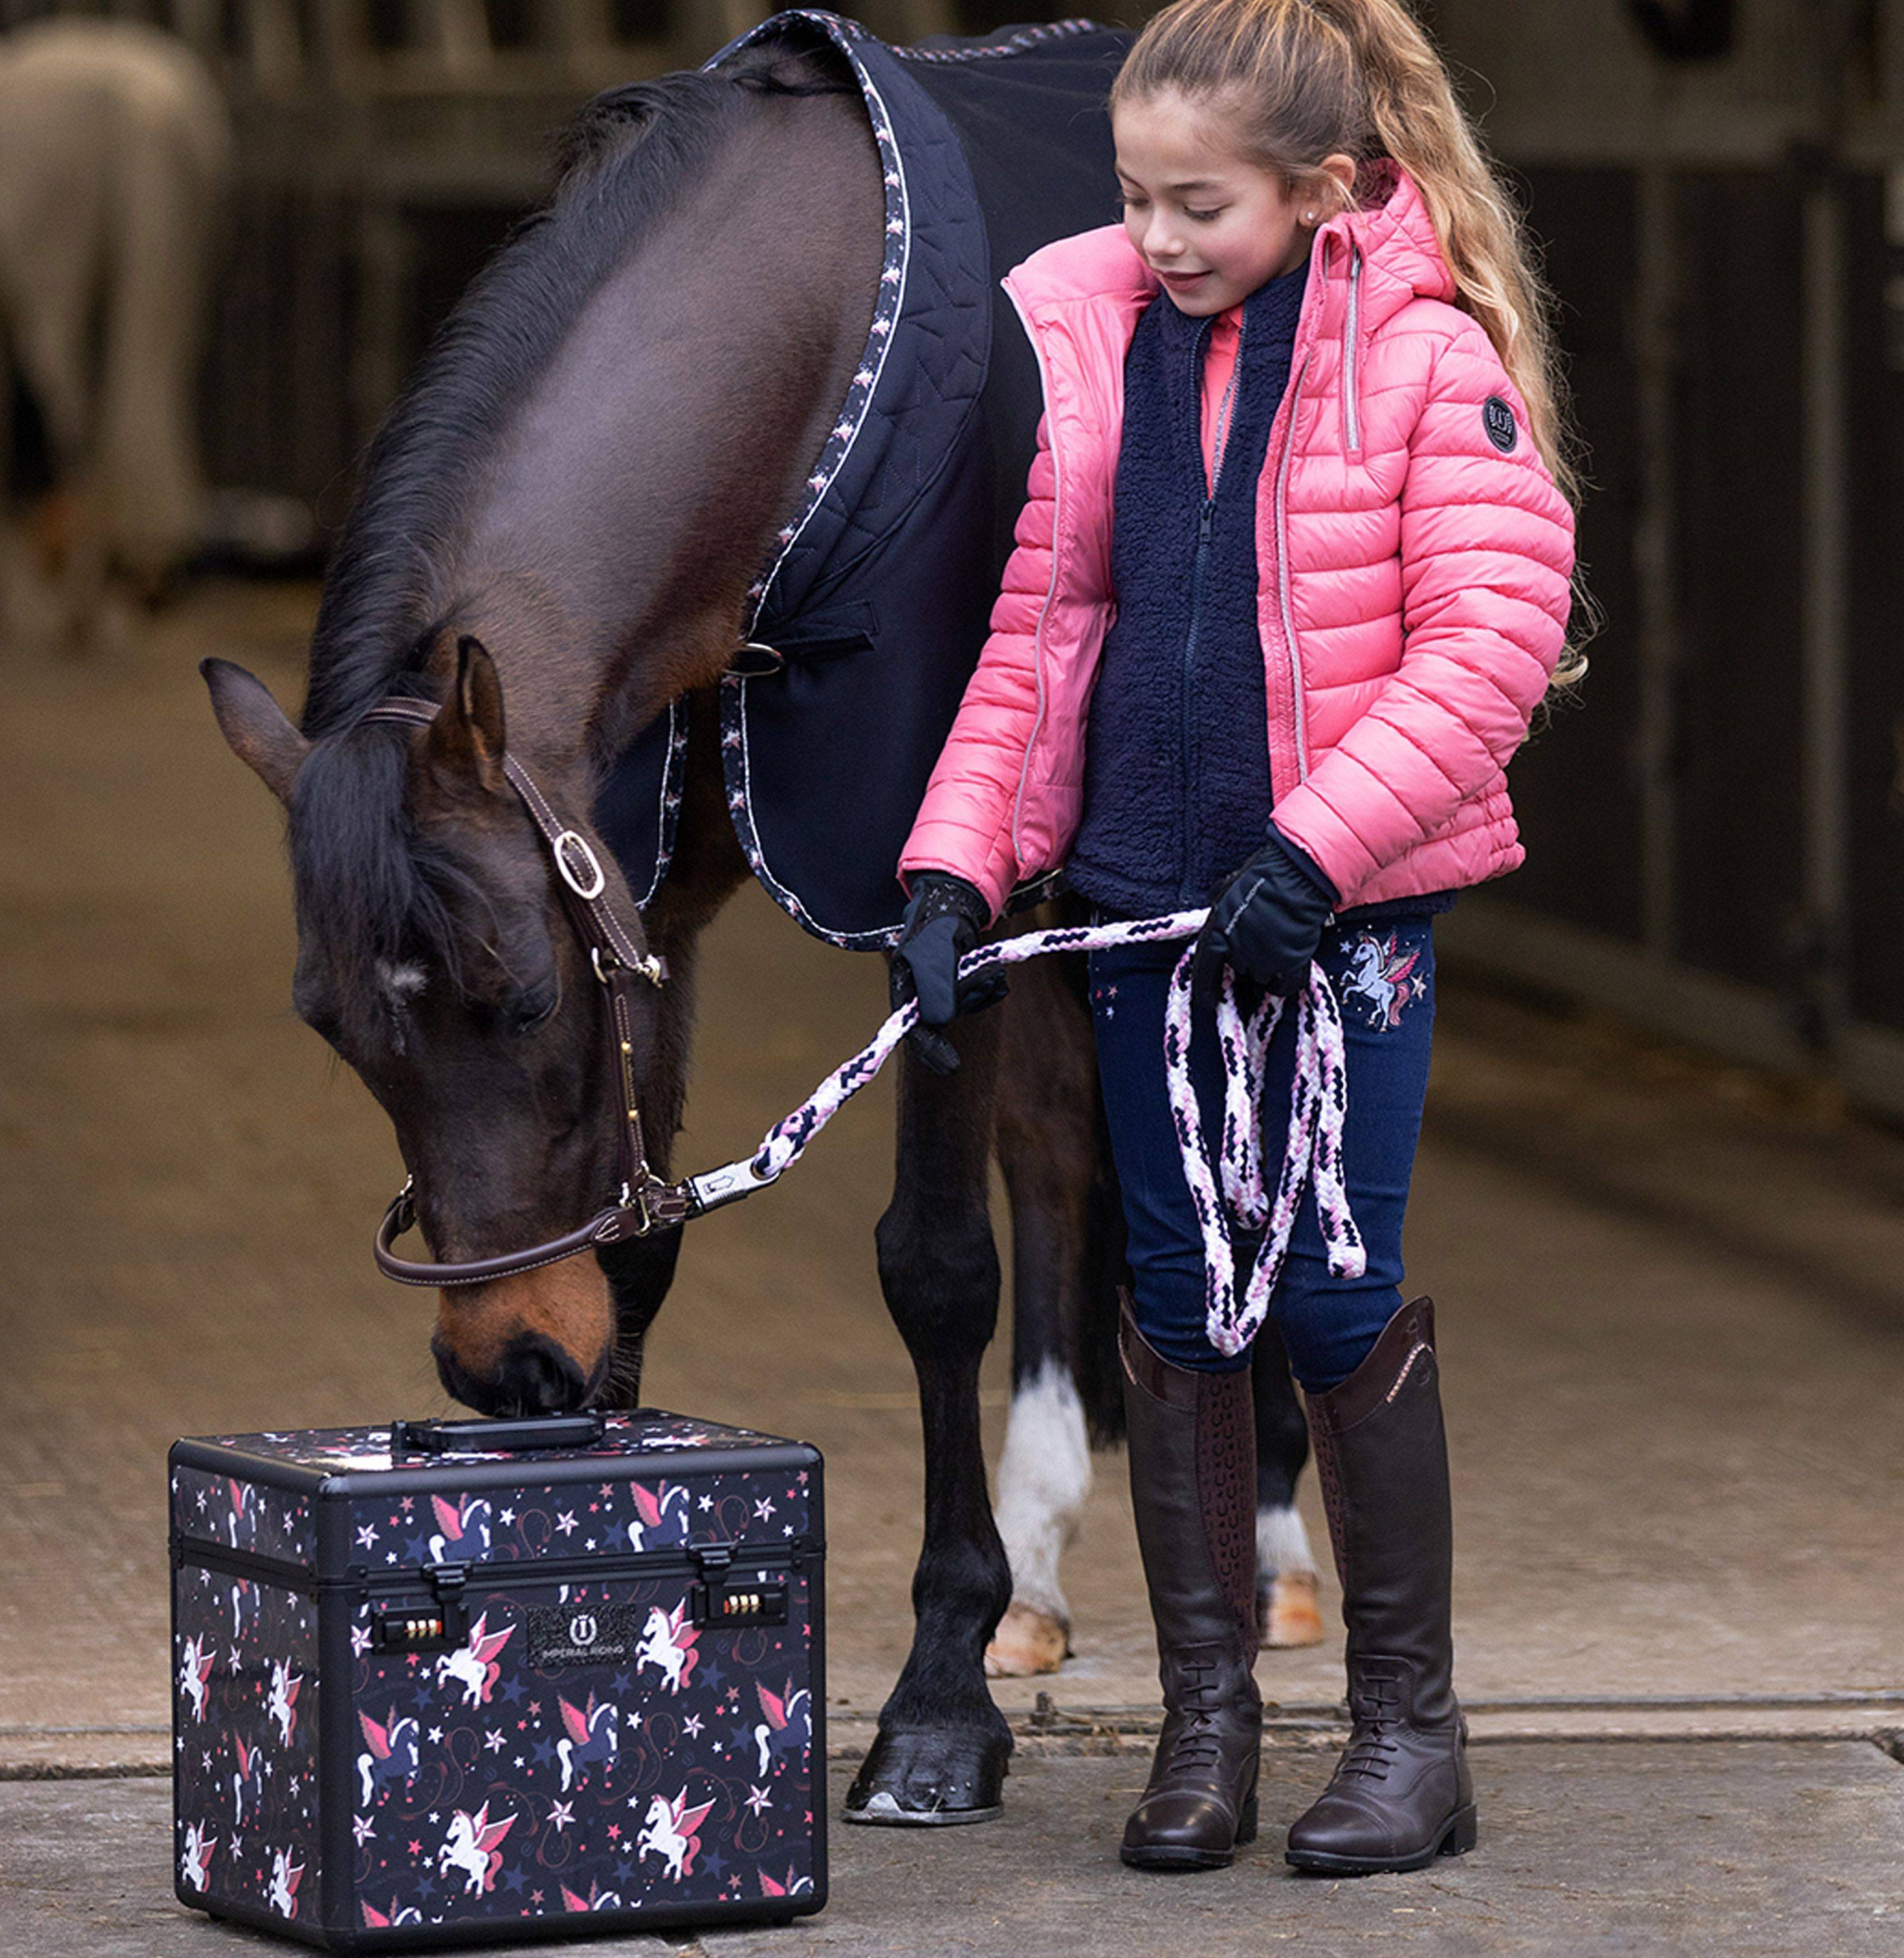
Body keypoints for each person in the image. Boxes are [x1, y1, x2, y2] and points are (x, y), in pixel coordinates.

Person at [888, 0, 1581, 1878]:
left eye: (1198, 203)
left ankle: (1406, 1739)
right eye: (1134, 200)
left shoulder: (1428, 367)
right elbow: (1046, 635)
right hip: (1145, 920)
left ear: (1324, 186)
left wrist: (1321, 848)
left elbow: (1491, 638)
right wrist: (960, 866)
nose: (1162, 237)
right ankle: (1207, 1732)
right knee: (1182, 1307)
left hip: (1330, 932)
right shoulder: (1104, 346)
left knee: (1337, 1297)